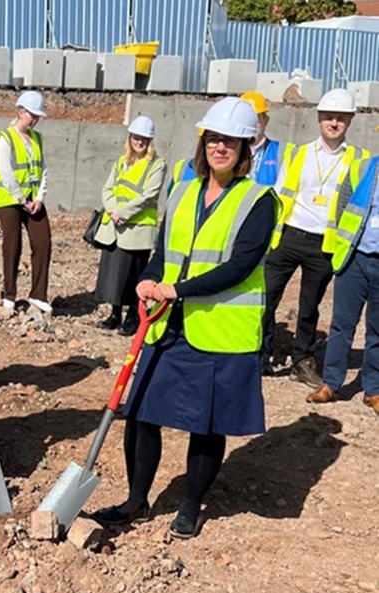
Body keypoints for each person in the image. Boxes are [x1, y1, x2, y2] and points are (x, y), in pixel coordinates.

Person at [90, 97, 279, 539]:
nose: (220, 147)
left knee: (206, 425)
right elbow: (163, 254)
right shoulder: (182, 190)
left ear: (245, 148)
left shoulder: (259, 201)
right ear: (203, 142)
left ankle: (190, 506)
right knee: (140, 413)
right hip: (167, 324)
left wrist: (177, 291)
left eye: (230, 141)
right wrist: (149, 280)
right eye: (214, 138)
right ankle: (136, 500)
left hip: (219, 331)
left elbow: (240, 266)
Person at [262, 88, 369, 382]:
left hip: (325, 242)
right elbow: (280, 194)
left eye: (340, 118)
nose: (334, 123)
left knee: (309, 306)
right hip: (290, 236)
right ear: (319, 119)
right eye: (329, 118)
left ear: (349, 121)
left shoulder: (360, 159)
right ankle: (258, 354)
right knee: (266, 296)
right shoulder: (299, 153)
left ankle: (302, 360)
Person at [305, 156, 379, 415]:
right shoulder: (362, 168)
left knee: (377, 330)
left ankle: (374, 390)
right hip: (355, 258)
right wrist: (338, 251)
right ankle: (331, 385)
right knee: (341, 325)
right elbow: (341, 207)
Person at [93, 115, 165, 336]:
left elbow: (149, 195)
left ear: (150, 140)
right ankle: (115, 313)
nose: (139, 142)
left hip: (136, 229)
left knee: (134, 274)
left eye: (143, 138)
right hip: (114, 227)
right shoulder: (121, 160)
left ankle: (133, 315)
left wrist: (123, 213)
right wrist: (114, 211)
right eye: (135, 137)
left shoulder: (157, 164)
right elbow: (107, 188)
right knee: (113, 274)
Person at [0, 90, 52, 313]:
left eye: (38, 115)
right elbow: (6, 171)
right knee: (12, 244)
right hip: (9, 199)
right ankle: (10, 294)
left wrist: (38, 198)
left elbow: (43, 168)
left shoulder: (37, 138)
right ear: (20, 112)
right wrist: (20, 197)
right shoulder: (5, 138)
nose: (35, 119)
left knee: (43, 240)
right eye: (31, 114)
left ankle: (38, 295)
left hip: (32, 199)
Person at [240, 91, 294, 187]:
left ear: (266, 120)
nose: (251, 123)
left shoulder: (283, 152)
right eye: (246, 118)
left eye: (256, 118)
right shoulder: (229, 152)